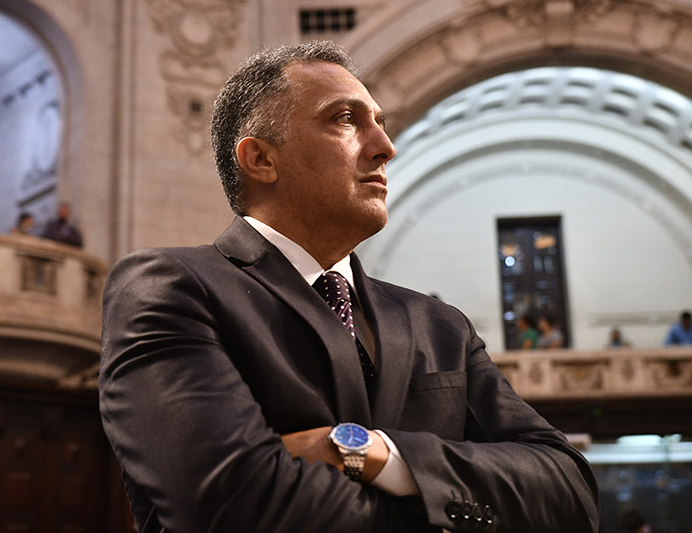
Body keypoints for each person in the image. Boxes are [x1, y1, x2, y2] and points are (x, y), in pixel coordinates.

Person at [99, 41, 598, 532]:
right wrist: (443, 505)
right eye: (345, 118)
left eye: (380, 121)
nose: (386, 147)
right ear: (261, 159)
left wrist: (365, 452)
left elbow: (570, 491)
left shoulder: (442, 325)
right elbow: (231, 501)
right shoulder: (170, 285)